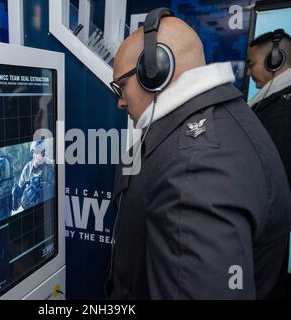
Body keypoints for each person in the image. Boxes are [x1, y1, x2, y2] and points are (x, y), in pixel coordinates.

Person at [107, 8, 291, 299]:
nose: (120, 101)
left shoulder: (195, 170)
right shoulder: (223, 113)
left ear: (154, 71)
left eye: (121, 85)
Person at [247, 29, 291, 299]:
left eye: (252, 63)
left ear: (275, 59)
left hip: (267, 232)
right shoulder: (272, 102)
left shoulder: (283, 109)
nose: (249, 71)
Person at [12, 140, 54, 211]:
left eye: (41, 152)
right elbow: (22, 190)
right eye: (35, 152)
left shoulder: (52, 166)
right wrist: (17, 197)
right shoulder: (27, 168)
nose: (38, 155)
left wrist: (44, 188)